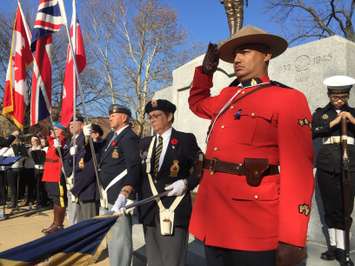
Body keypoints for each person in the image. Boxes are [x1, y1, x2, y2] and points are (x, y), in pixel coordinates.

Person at [188, 26, 314, 266]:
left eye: (244, 52)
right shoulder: (227, 96)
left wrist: (292, 239)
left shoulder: (288, 99)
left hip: (254, 224)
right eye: (235, 55)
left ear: (267, 54)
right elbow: (197, 103)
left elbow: (299, 173)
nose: (236, 59)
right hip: (214, 220)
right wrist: (205, 72)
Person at [138, 99, 201, 266]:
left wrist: (187, 183)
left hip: (174, 208)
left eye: (157, 115)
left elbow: (201, 167)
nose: (152, 120)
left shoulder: (185, 139)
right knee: (153, 260)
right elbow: (137, 172)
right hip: (149, 210)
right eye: (150, 117)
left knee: (172, 260)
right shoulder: (145, 143)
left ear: (170, 116)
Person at [84, 104, 140, 266]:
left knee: (120, 238)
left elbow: (134, 166)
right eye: (109, 115)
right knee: (112, 236)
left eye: (113, 115)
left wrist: (127, 193)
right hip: (107, 194)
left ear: (124, 117)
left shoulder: (128, 137)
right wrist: (88, 139)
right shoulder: (112, 136)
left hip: (119, 195)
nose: (110, 118)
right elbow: (98, 153)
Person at [312, 75, 355, 266]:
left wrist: (351, 119)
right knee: (330, 207)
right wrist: (335, 121)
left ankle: (344, 250)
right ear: (329, 95)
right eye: (335, 97)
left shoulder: (354, 112)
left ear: (347, 96)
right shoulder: (321, 113)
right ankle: (333, 247)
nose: (338, 100)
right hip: (327, 163)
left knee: (345, 208)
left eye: (342, 97)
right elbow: (314, 129)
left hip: (350, 164)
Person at [70, 123, 105, 222]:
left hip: (89, 191)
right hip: (81, 191)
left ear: (97, 134)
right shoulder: (84, 149)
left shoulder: (97, 149)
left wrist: (76, 188)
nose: (86, 135)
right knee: (80, 224)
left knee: (89, 224)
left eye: (90, 132)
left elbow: (89, 173)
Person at [41, 122, 67, 234]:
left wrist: (59, 145)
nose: (52, 131)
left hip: (57, 176)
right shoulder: (52, 141)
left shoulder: (62, 141)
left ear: (61, 131)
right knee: (54, 200)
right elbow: (44, 130)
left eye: (55, 129)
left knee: (59, 200)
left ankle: (59, 224)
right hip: (49, 175)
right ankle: (55, 222)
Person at [63, 116, 86, 225]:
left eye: (74, 123)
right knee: (72, 207)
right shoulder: (71, 139)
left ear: (81, 125)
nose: (70, 125)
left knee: (78, 210)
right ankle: (72, 227)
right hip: (69, 177)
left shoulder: (84, 138)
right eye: (70, 123)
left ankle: (75, 229)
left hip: (78, 177)